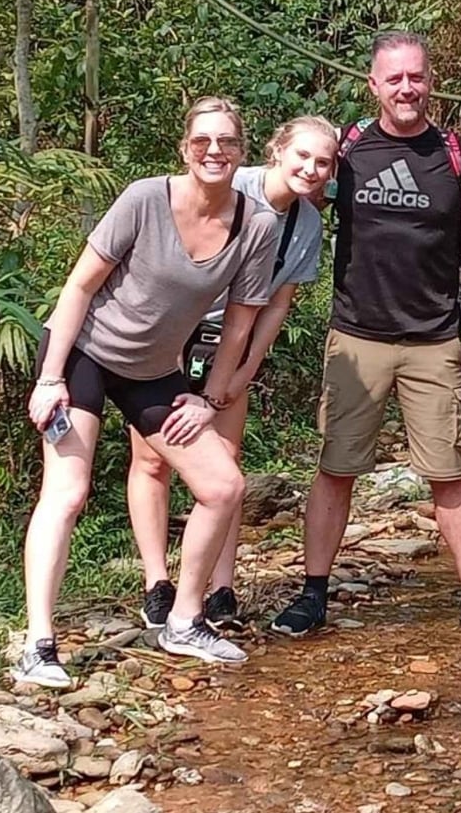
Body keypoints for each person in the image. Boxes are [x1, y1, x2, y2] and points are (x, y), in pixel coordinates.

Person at [15, 96, 280, 687]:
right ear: (185, 149)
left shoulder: (257, 225)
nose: (215, 152)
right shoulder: (144, 198)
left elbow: (239, 323)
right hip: (83, 353)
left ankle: (185, 621)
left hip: (156, 370)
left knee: (223, 484)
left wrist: (208, 398)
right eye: (203, 141)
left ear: (242, 150)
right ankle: (38, 644)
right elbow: (79, 287)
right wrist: (51, 378)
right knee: (68, 492)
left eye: (227, 142)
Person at [270, 31, 461, 640]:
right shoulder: (346, 149)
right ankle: (314, 593)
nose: (407, 88)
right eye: (394, 78)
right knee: (336, 466)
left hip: (435, 339)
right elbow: (290, 193)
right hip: (356, 336)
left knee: (449, 471)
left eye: (417, 76)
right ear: (374, 84)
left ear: (430, 81)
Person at [126, 116, 337, 633]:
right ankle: (157, 581)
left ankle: (221, 584)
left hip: (229, 341)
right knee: (152, 458)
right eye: (301, 156)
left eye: (322, 162)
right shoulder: (232, 185)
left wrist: (244, 372)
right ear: (276, 152)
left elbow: (276, 305)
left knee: (225, 462)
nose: (309, 169)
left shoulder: (305, 225)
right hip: (170, 331)